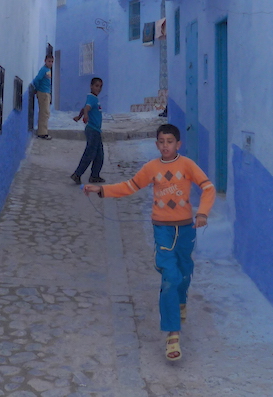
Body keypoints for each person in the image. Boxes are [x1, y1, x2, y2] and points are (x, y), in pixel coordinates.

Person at [83, 124, 215, 361]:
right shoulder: (152, 168)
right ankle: (172, 334)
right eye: (161, 142)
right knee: (170, 277)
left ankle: (180, 302)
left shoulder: (187, 165)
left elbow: (208, 187)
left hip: (185, 230)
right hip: (162, 230)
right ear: (157, 144)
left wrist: (203, 213)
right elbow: (129, 186)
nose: (166, 146)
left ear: (178, 144)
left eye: (170, 142)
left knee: (185, 273)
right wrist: (100, 190)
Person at [71, 77, 105, 185]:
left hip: (96, 130)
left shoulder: (93, 98)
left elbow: (83, 108)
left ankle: (94, 176)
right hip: (93, 130)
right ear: (91, 86)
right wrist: (85, 116)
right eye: (96, 85)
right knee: (90, 153)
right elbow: (86, 108)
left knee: (99, 155)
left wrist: (79, 116)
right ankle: (77, 174)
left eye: (100, 86)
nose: (98, 88)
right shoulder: (92, 98)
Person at [33, 55, 54, 139]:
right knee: (44, 113)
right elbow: (36, 80)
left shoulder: (48, 70)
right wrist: (38, 89)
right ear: (45, 61)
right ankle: (42, 133)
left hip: (47, 92)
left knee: (46, 113)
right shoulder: (44, 70)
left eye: (52, 61)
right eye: (49, 61)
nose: (50, 63)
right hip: (43, 93)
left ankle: (43, 131)